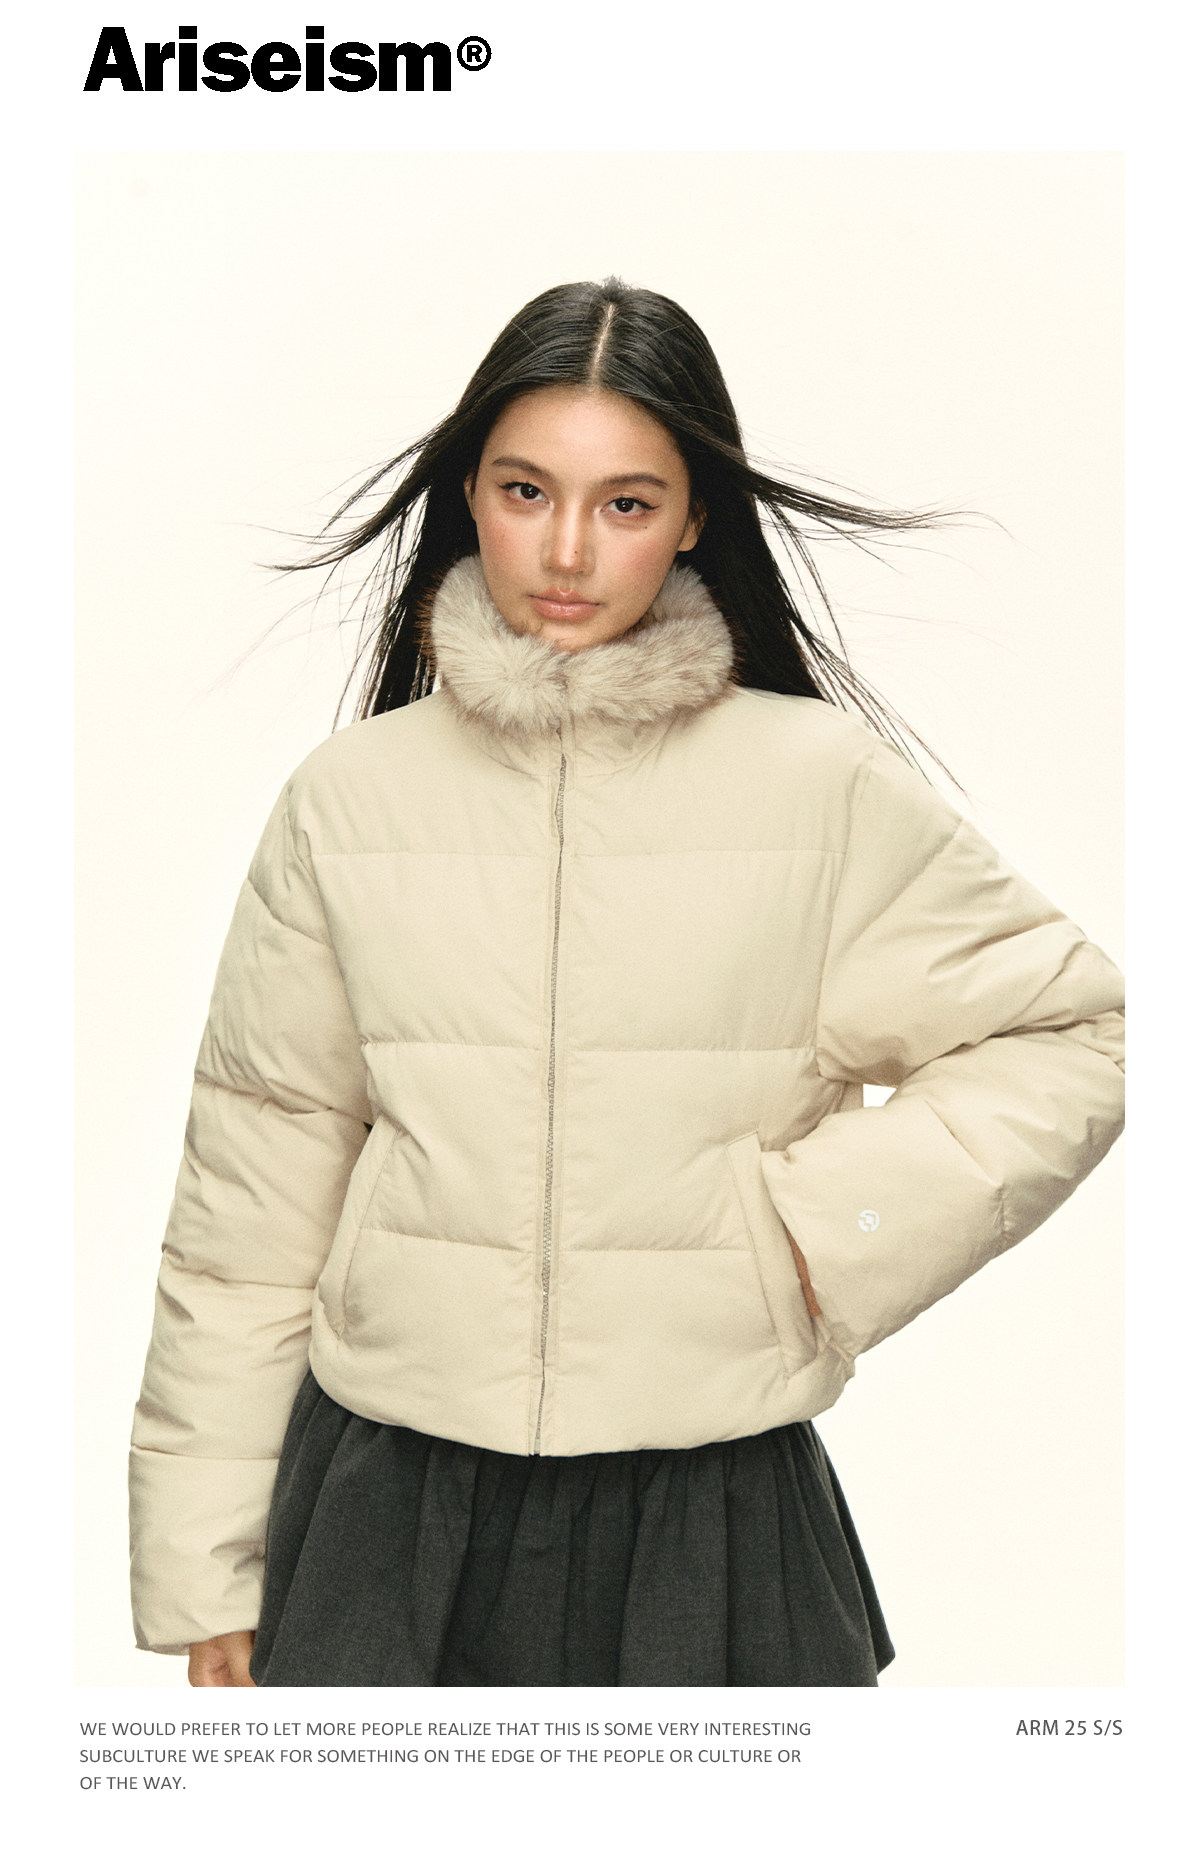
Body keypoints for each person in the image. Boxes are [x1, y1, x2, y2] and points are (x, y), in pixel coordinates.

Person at [128, 277, 1125, 1688]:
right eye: (526, 490)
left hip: (712, 1510)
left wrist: (816, 1235)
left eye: (627, 503)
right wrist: (207, 1557)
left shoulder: (819, 789)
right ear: (469, 494)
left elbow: (1075, 1032)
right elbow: (251, 1196)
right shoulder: (349, 801)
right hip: (388, 1509)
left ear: (695, 517)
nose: (567, 550)